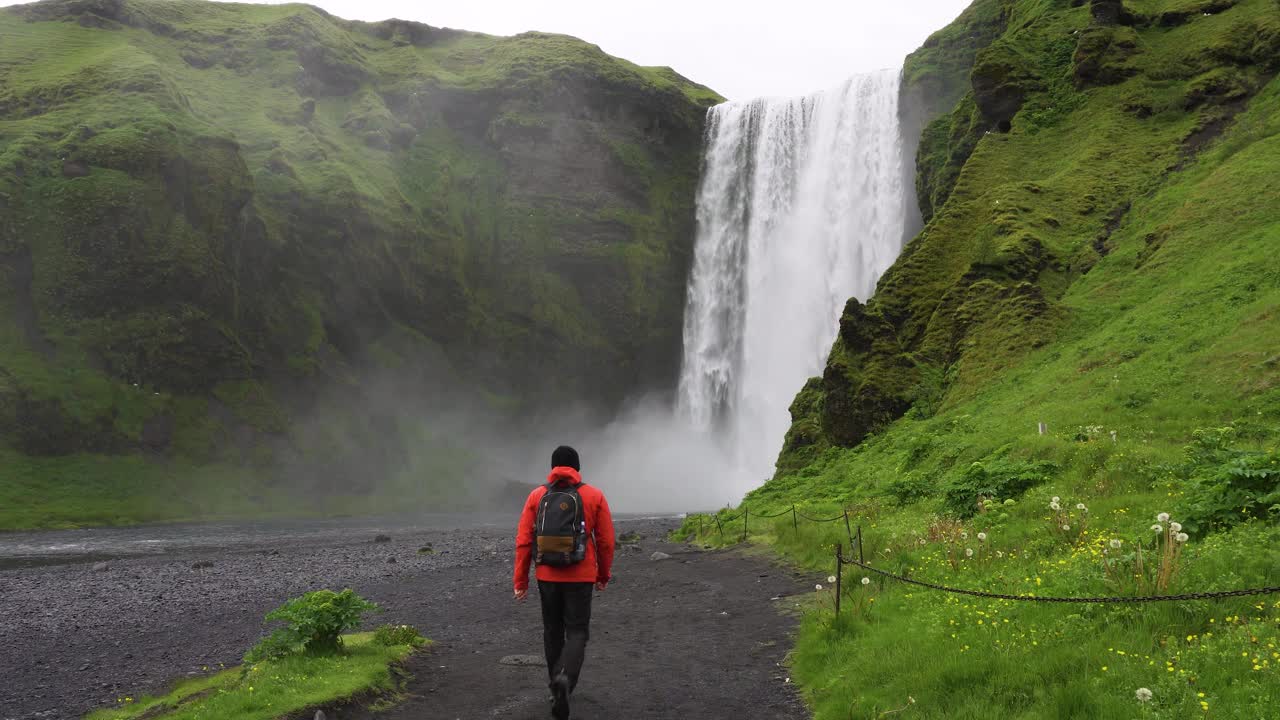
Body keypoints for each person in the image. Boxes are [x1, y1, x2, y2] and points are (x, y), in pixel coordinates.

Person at [513, 445, 615, 720]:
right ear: (577, 467)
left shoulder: (537, 496)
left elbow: (524, 541)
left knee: (552, 630)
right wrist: (603, 575)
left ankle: (555, 682)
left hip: (546, 575)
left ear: (552, 467)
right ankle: (566, 680)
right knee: (578, 631)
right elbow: (606, 542)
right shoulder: (594, 495)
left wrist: (520, 579)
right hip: (581, 575)